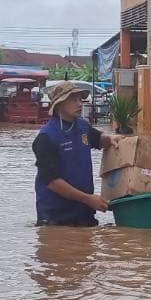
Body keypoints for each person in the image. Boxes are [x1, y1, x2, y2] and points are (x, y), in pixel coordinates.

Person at [34, 80, 121, 226]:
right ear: (59, 105)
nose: (80, 104)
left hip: (84, 212)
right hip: (56, 218)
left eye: (80, 99)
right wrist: (88, 199)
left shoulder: (82, 126)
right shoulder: (46, 137)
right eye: (73, 100)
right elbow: (52, 182)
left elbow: (99, 139)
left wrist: (114, 139)